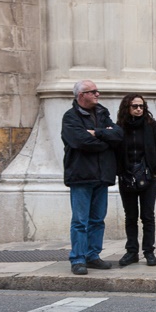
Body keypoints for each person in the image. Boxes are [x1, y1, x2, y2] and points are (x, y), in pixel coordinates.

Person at [61, 80, 124, 275]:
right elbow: (80, 141)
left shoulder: (102, 113)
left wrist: (97, 133)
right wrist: (106, 138)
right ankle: (78, 259)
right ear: (81, 95)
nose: (98, 94)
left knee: (97, 219)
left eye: (97, 91)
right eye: (93, 92)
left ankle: (92, 255)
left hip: (101, 175)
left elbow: (119, 135)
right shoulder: (71, 117)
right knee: (80, 220)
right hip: (81, 175)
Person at [115, 94, 156, 267]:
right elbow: (114, 151)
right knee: (130, 216)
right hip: (127, 177)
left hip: (148, 177)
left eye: (141, 106)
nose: (138, 109)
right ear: (127, 108)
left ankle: (149, 251)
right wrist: (120, 171)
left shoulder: (151, 126)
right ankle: (131, 252)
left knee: (147, 216)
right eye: (135, 106)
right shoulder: (120, 127)